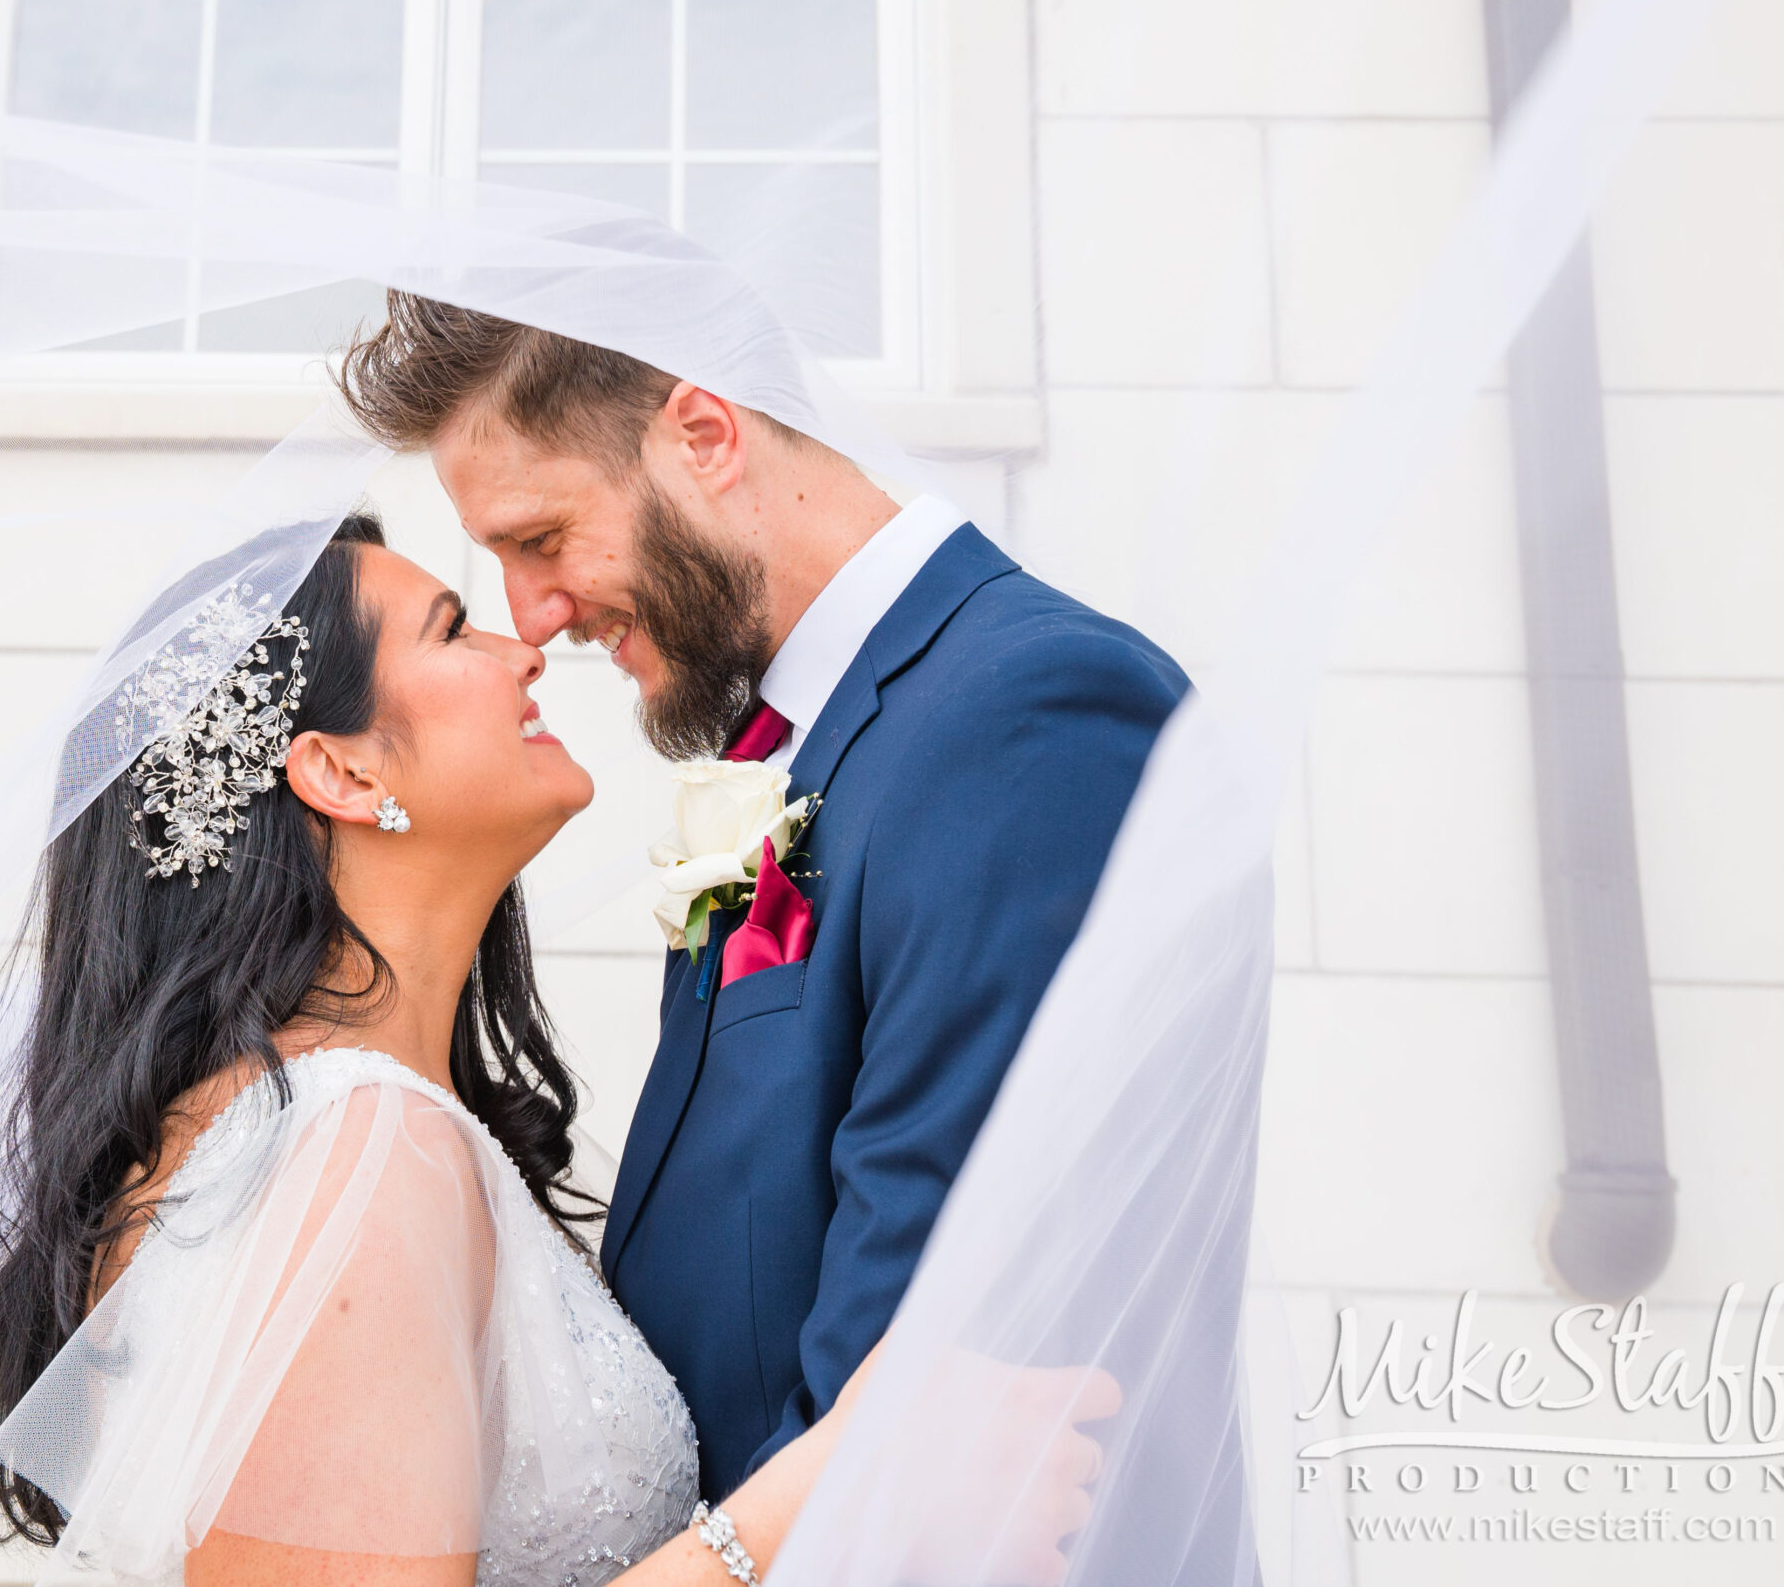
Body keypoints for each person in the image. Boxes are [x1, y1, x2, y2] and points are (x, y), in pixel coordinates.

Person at [0, 513, 1113, 1585]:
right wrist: (809, 1504)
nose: (523, 649)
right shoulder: (349, 1151)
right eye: (452, 628)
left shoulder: (323, 1130)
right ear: (345, 772)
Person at [338, 296, 1187, 1502]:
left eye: (542, 538)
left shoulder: (1022, 715)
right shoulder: (799, 744)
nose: (531, 618)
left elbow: (931, 1380)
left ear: (704, 436)